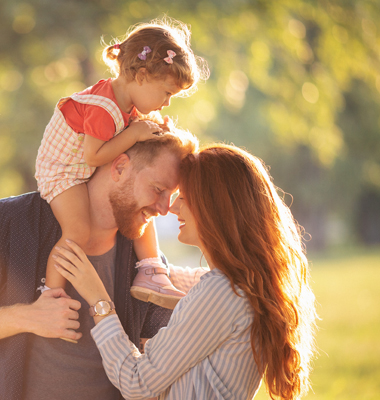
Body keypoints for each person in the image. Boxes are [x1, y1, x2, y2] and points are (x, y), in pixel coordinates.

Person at [54, 143, 318, 400]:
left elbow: (137, 382)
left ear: (214, 208)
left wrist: (99, 301)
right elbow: (169, 280)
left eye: (184, 198)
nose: (172, 208)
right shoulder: (241, 285)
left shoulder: (221, 292)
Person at [0, 130, 200, 400]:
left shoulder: (147, 269)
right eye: (158, 189)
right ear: (119, 167)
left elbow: (151, 378)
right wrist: (27, 317)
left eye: (172, 195)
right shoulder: (10, 222)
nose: (165, 209)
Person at [35, 17, 208, 309]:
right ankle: (50, 294)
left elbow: (134, 136)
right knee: (77, 231)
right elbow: (95, 157)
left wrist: (154, 130)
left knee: (144, 203)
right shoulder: (104, 107)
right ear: (141, 76)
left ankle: (151, 270)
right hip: (62, 173)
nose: (167, 103)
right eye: (166, 92)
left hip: (79, 168)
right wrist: (137, 132)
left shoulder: (125, 103)